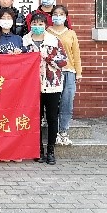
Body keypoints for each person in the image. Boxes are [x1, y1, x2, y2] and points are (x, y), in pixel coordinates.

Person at [23, 13, 67, 165]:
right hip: (31, 86)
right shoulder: (24, 41)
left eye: (40, 24)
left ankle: (51, 150)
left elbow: (63, 61)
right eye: (35, 23)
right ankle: (38, 149)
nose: (37, 26)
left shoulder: (54, 41)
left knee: (52, 117)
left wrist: (47, 57)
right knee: (36, 117)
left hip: (52, 84)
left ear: (45, 25)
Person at [46, 5, 82, 146]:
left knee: (67, 103)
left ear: (66, 17)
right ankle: (54, 132)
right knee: (53, 104)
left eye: (61, 14)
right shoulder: (47, 32)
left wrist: (78, 72)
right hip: (51, 72)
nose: (58, 16)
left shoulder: (71, 33)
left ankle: (64, 132)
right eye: (55, 14)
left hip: (69, 72)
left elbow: (76, 54)